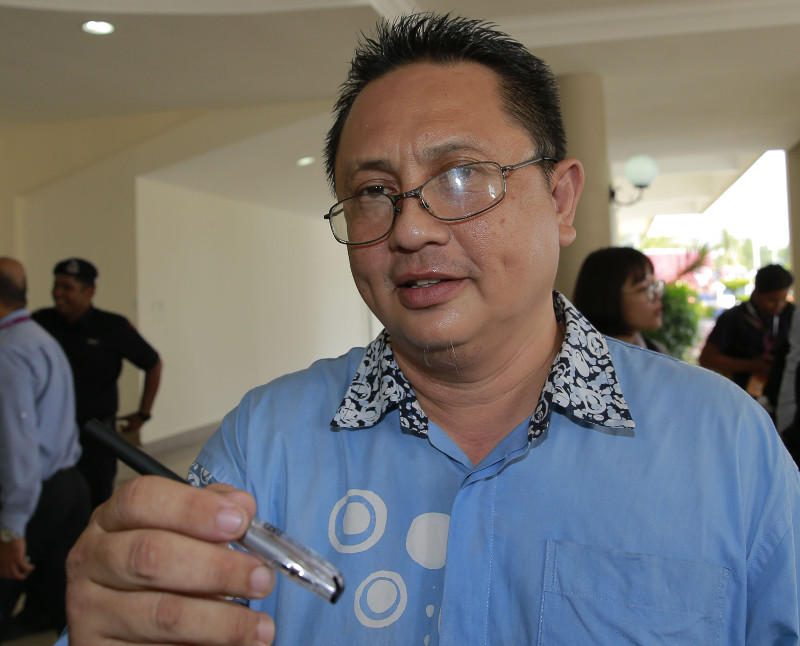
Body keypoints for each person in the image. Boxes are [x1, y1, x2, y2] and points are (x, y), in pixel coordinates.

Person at [57, 14, 800, 646]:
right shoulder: (266, 444)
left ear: (562, 198)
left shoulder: (724, 443)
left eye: (461, 175)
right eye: (373, 193)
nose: (410, 228)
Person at [0, 257, 91, 641]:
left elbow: (18, 447)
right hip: (70, 486)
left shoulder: (7, 351)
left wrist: (10, 531)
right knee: (62, 596)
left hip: (36, 497)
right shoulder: (38, 338)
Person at [32, 258, 162, 508]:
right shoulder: (41, 323)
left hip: (96, 439)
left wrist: (143, 414)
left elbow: (153, 363)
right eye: (56, 285)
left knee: (95, 504)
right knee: (50, 505)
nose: (58, 293)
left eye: (67, 287)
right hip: (50, 433)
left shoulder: (111, 327)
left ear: (89, 291)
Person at [699, 263, 794, 400]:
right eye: (772, 300)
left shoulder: (791, 314)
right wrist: (752, 365)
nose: (779, 306)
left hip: (783, 396)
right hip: (742, 396)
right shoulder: (733, 318)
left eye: (783, 299)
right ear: (757, 293)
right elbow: (707, 359)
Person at [572, 246, 666, 352]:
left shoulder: (655, 352)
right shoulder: (579, 360)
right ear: (607, 298)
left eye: (655, 286)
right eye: (645, 289)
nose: (657, 296)